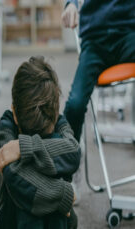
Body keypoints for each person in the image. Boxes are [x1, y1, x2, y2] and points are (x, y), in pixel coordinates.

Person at [0, 57, 81, 229]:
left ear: (14, 109)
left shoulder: (59, 123)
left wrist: (24, 147)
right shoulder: (7, 124)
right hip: (14, 220)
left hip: (56, 222)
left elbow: (73, 151)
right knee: (24, 193)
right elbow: (14, 174)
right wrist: (63, 193)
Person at [61, 0, 135, 203]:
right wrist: (71, 4)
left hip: (128, 32)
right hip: (95, 40)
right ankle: (71, 168)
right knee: (74, 105)